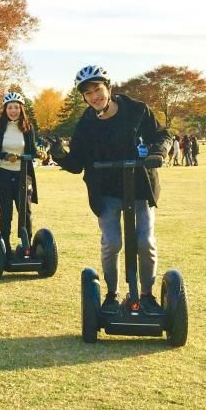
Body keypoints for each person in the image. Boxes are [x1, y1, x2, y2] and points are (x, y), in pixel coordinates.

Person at [48, 65, 171, 316]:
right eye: (88, 93)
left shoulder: (137, 111)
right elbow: (77, 163)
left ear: (108, 88)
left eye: (98, 89)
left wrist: (158, 152)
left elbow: (162, 135)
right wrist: (59, 154)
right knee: (112, 243)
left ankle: (146, 296)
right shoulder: (86, 124)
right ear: (84, 97)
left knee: (145, 242)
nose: (94, 96)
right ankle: (112, 295)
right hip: (106, 191)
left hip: (140, 187)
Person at [0, 92, 39, 258]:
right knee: (6, 212)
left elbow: (31, 151)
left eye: (16, 107)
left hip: (23, 174)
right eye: (10, 107)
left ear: (21, 109)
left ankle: (27, 246)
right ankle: (5, 248)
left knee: (25, 211)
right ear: (5, 109)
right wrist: (5, 156)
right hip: (3, 173)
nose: (13, 111)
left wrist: (39, 154)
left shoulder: (27, 126)